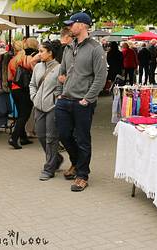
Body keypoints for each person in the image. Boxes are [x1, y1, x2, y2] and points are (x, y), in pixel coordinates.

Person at [55, 12, 107, 192]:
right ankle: (76, 163)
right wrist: (60, 93)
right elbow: (61, 73)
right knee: (63, 135)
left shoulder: (95, 48)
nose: (69, 27)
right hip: (65, 100)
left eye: (72, 24)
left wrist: (88, 99)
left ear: (83, 25)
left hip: (82, 102)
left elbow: (100, 77)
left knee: (83, 139)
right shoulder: (68, 47)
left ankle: (82, 175)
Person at [29, 40, 63, 181]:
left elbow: (62, 87)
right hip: (38, 107)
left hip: (52, 108)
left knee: (51, 138)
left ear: (50, 53)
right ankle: (57, 158)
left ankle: (49, 169)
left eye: (41, 51)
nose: (39, 54)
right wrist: (34, 97)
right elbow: (32, 84)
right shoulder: (37, 67)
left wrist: (56, 101)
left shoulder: (60, 68)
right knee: (41, 135)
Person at [7, 40, 38, 149]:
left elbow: (9, 78)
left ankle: (23, 138)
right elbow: (35, 72)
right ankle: (14, 138)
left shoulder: (12, 60)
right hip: (24, 89)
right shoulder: (27, 58)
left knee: (21, 114)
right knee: (25, 115)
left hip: (14, 90)